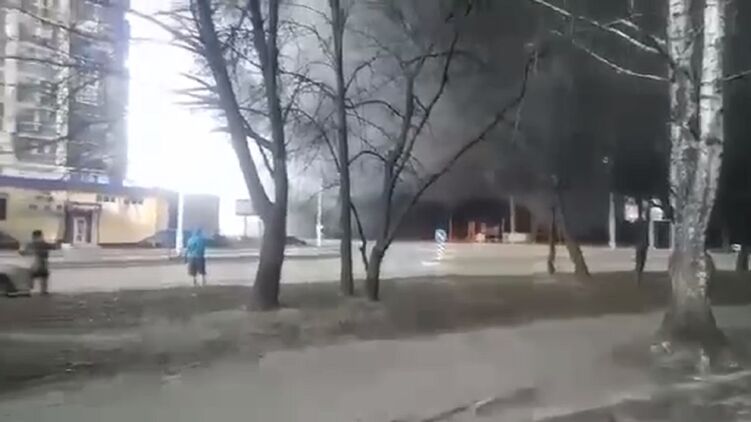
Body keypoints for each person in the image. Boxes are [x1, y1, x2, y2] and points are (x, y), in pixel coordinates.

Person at [20, 230, 53, 295]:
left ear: (33, 237)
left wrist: (22, 253)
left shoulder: (29, 245)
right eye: (41, 236)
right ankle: (43, 291)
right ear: (40, 236)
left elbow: (24, 253)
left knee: (31, 275)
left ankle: (29, 289)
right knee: (44, 276)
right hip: (42, 264)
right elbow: (54, 247)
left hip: (33, 264)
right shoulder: (44, 244)